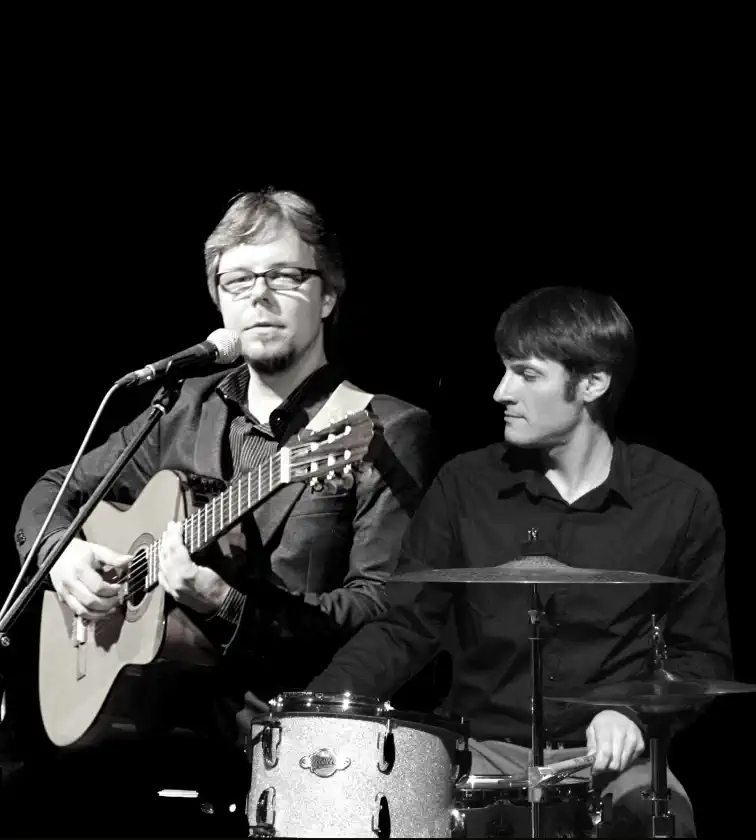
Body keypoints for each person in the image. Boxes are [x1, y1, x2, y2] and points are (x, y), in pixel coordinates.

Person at [6, 188, 436, 836]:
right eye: (238, 279)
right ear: (218, 299)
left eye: (284, 275)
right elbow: (52, 489)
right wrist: (63, 554)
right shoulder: (179, 406)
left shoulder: (383, 428)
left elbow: (384, 610)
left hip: (299, 751)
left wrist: (225, 604)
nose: (258, 295)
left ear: (328, 294)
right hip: (153, 735)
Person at [306, 286, 732, 837]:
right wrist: (318, 709)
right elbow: (406, 627)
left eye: (526, 375)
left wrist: (632, 713)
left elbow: (701, 658)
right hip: (480, 751)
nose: (499, 392)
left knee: (657, 821)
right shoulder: (465, 485)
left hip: (611, 764)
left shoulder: (680, 498)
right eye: (504, 370)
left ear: (593, 384)